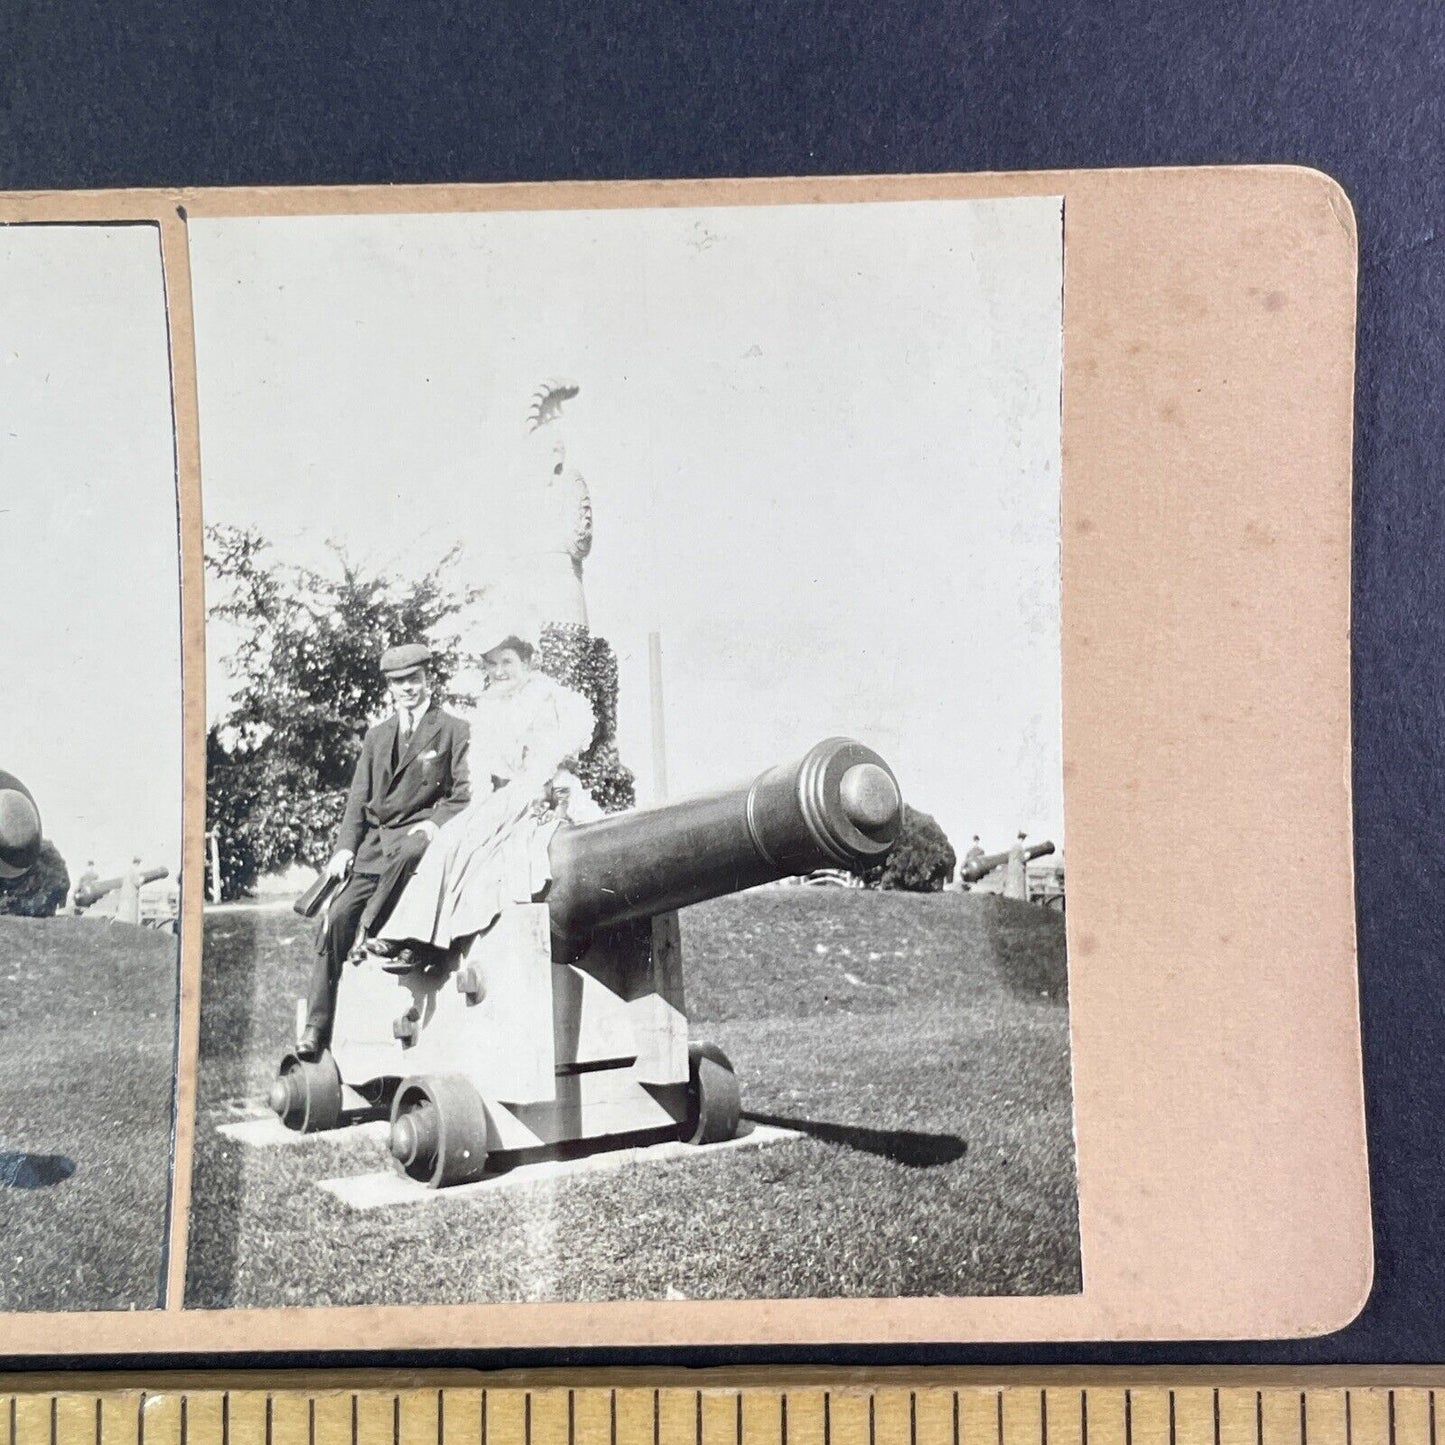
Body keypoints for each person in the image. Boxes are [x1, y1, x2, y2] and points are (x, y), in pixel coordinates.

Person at [368, 628, 595, 966]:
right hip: (508, 795)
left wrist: (543, 786)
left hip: (547, 789)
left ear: (528, 662)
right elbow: (480, 767)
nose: (500, 671)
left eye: (507, 661)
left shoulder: (554, 699)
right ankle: (414, 935)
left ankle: (428, 940)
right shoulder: (488, 709)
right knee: (451, 840)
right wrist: (478, 807)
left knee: (496, 854)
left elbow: (564, 748)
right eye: (492, 664)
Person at [298, 642, 471, 1060]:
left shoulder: (453, 729)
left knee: (409, 855)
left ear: (428, 679)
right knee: (334, 919)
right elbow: (358, 801)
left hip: (418, 851)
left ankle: (369, 934)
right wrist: (343, 850)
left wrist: (433, 825)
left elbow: (463, 794)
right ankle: (316, 1028)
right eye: (398, 682)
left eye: (414, 679)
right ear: (389, 688)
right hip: (375, 850)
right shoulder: (377, 737)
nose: (407, 689)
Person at [1004, 831, 1030, 901]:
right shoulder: (1019, 847)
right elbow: (1022, 859)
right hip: (1018, 871)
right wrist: (1027, 856)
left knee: (1012, 889)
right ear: (1022, 839)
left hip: (1012, 871)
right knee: (1018, 889)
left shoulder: (1013, 847)